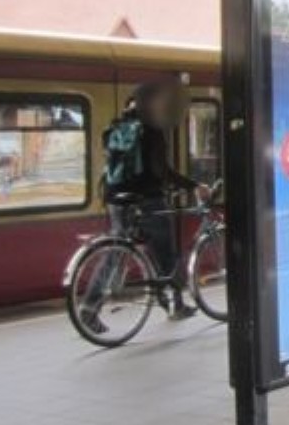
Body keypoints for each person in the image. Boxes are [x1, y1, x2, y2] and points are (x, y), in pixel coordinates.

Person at [87, 78, 209, 332]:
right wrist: (192, 185)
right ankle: (176, 305)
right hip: (146, 199)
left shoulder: (117, 125)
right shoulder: (151, 129)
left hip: (116, 198)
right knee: (166, 253)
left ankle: (89, 308)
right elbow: (161, 170)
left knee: (116, 250)